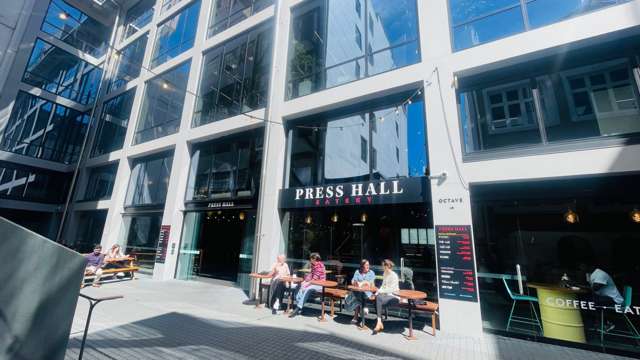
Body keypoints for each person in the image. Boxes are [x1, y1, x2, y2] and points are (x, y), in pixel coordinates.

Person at [289, 252, 325, 318]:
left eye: (311, 259)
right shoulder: (313, 265)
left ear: (314, 259)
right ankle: (300, 307)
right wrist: (304, 281)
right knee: (299, 286)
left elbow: (315, 278)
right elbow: (310, 275)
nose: (310, 260)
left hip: (319, 284)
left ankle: (297, 308)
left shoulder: (320, 266)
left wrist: (306, 284)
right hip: (313, 283)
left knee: (307, 288)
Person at [373, 259, 400, 334]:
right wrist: (378, 291)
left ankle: (379, 322)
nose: (382, 268)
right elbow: (383, 285)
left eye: (383, 266)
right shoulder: (385, 273)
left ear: (387, 266)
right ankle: (379, 322)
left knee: (378, 298)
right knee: (376, 297)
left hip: (394, 296)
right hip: (385, 295)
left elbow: (392, 289)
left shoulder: (394, 275)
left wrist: (380, 292)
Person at [345, 259, 375, 324]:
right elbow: (353, 281)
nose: (368, 266)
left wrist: (365, 282)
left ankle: (356, 316)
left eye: (368, 265)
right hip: (358, 291)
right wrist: (356, 283)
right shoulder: (357, 272)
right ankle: (364, 308)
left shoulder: (371, 273)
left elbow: (371, 284)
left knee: (357, 297)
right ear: (362, 266)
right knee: (357, 295)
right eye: (366, 265)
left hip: (367, 293)